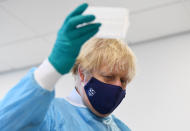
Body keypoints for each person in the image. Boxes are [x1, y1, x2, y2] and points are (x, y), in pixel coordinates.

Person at [0, 3, 136, 131]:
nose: (118, 86)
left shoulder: (119, 128)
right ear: (82, 74)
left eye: (123, 80)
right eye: (108, 77)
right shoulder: (51, 116)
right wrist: (51, 67)